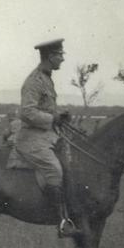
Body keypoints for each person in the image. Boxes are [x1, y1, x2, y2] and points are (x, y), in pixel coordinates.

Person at [13, 38, 78, 237]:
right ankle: (60, 221)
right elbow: (27, 112)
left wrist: (60, 114)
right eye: (60, 55)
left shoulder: (47, 78)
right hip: (31, 139)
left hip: (47, 135)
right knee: (54, 169)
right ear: (50, 56)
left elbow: (45, 108)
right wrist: (53, 118)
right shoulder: (34, 81)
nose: (62, 59)